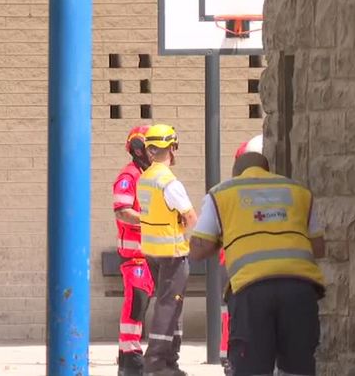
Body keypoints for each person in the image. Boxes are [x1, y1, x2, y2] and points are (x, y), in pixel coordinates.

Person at [189, 152, 325, 376]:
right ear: (268, 169)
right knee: (298, 367)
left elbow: (197, 249)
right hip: (300, 289)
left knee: (251, 368)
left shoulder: (223, 193)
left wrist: (224, 240)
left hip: (252, 290)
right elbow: (318, 247)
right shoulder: (299, 192)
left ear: (236, 173)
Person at [136, 124, 197, 376]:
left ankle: (170, 360)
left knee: (171, 304)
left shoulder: (145, 178)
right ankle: (157, 363)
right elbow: (191, 218)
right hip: (172, 252)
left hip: (152, 249)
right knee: (168, 306)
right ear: (172, 148)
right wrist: (184, 224)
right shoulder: (169, 182)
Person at [219, 134, 263, 376]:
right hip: (241, 263)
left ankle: (231, 359)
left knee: (232, 312)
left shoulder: (229, 192)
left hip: (232, 259)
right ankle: (233, 359)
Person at [114, 125, 156, 376]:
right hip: (136, 258)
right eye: (150, 147)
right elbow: (122, 210)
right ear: (139, 148)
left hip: (153, 255)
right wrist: (152, 220)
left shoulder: (150, 175)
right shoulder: (129, 176)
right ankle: (130, 359)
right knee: (135, 305)